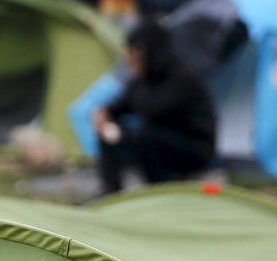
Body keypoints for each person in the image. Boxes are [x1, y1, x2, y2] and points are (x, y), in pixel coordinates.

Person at [91, 20, 216, 194]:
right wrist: (103, 115)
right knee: (109, 135)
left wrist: (121, 133)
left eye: (134, 53)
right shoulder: (142, 81)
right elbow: (119, 107)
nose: (129, 60)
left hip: (192, 149)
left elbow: (155, 110)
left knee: (144, 137)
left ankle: (159, 190)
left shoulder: (182, 79)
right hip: (155, 142)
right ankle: (110, 190)